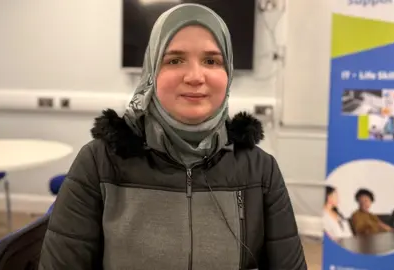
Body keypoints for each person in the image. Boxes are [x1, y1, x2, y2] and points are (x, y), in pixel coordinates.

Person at [38, 4, 306, 270]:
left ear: (228, 73)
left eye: (211, 61)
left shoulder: (260, 171)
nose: (194, 76)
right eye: (174, 60)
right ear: (152, 73)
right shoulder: (100, 162)